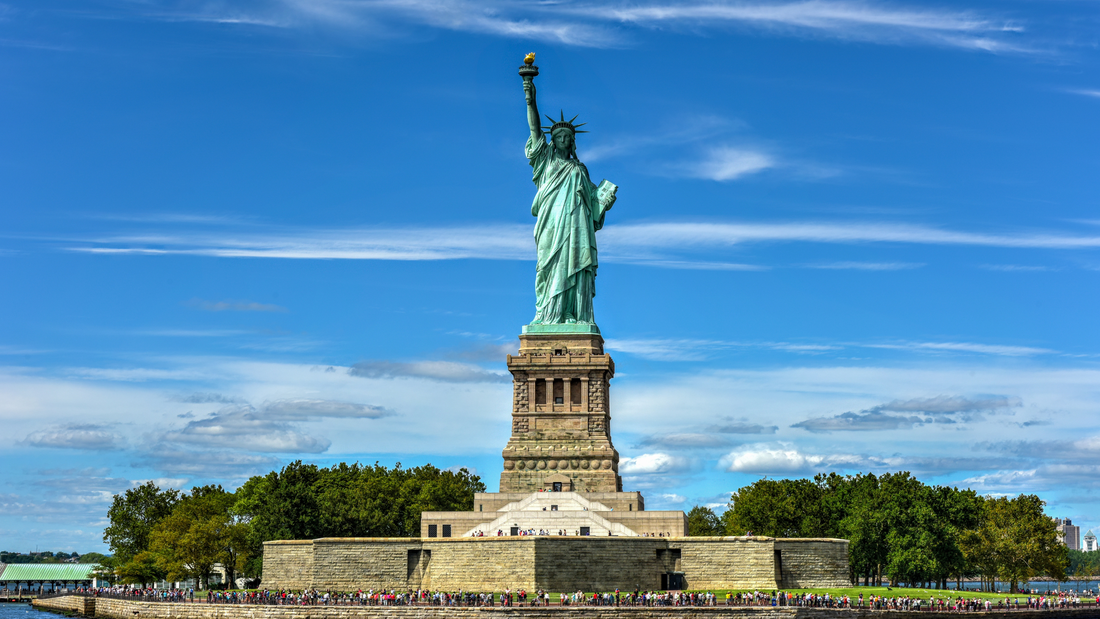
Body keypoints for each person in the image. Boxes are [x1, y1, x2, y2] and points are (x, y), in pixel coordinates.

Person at [521, 72, 616, 326]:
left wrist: (604, 200)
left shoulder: (580, 169)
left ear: (572, 142)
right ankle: (548, 315)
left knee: (572, 264)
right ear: (552, 141)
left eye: (567, 137)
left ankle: (571, 313)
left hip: (576, 227)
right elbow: (534, 128)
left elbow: (592, 202)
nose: (562, 140)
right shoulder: (545, 161)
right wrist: (530, 96)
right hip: (551, 224)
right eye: (558, 137)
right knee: (548, 267)